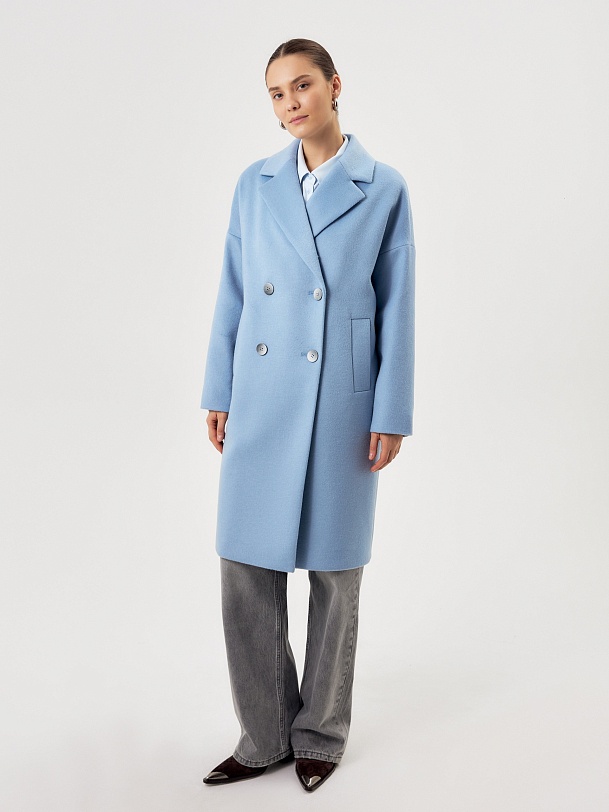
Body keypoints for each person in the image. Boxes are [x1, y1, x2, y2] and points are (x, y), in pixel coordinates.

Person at [200, 38, 416, 793]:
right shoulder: (254, 184)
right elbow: (232, 289)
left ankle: (320, 731)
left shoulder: (382, 187)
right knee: (243, 566)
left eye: (301, 85)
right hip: (261, 393)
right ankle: (263, 735)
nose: (289, 103)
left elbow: (397, 306)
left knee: (334, 571)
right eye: (275, 92)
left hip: (341, 401)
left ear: (334, 86)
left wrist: (392, 409)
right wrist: (218, 389)